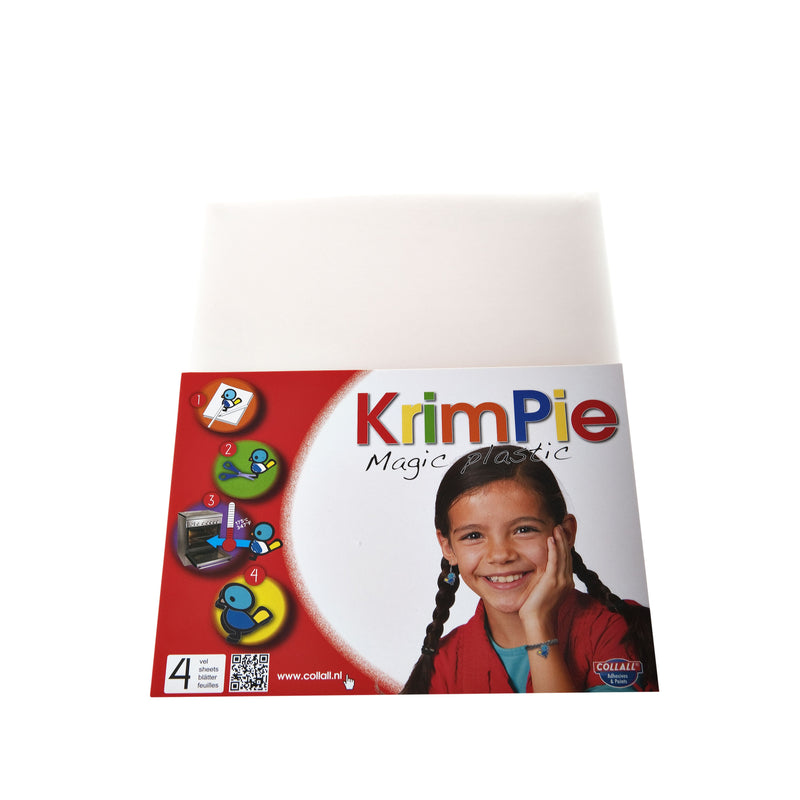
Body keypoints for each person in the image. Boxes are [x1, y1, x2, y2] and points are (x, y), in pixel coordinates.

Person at [401, 445, 658, 693]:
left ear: (566, 534)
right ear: (448, 547)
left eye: (523, 530)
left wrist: (537, 623)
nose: (501, 555)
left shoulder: (616, 630)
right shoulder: (443, 665)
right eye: (473, 535)